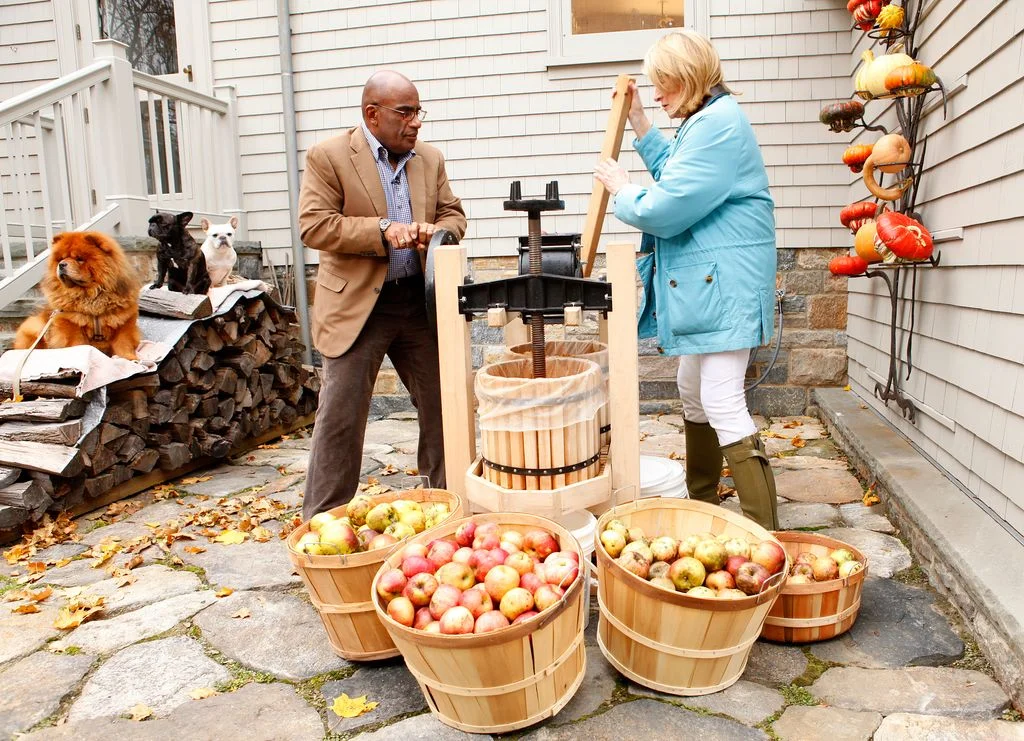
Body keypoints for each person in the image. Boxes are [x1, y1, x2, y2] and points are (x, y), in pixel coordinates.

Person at [593, 30, 779, 530]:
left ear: (690, 79)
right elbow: (677, 171)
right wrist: (637, 120)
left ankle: (765, 532)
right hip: (713, 285)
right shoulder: (706, 121)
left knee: (721, 397)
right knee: (692, 388)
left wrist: (625, 191)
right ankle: (703, 504)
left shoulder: (718, 125)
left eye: (665, 86)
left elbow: (670, 206)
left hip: (727, 286)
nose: (658, 95)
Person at [298, 70, 467, 520]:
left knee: (444, 405)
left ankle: (451, 510)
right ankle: (322, 524)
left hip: (419, 304)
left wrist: (438, 234)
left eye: (418, 112)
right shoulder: (328, 156)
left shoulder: (429, 159)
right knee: (341, 416)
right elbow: (314, 225)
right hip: (357, 304)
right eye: (405, 112)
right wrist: (380, 229)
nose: (415, 123)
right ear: (372, 115)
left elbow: (454, 214)